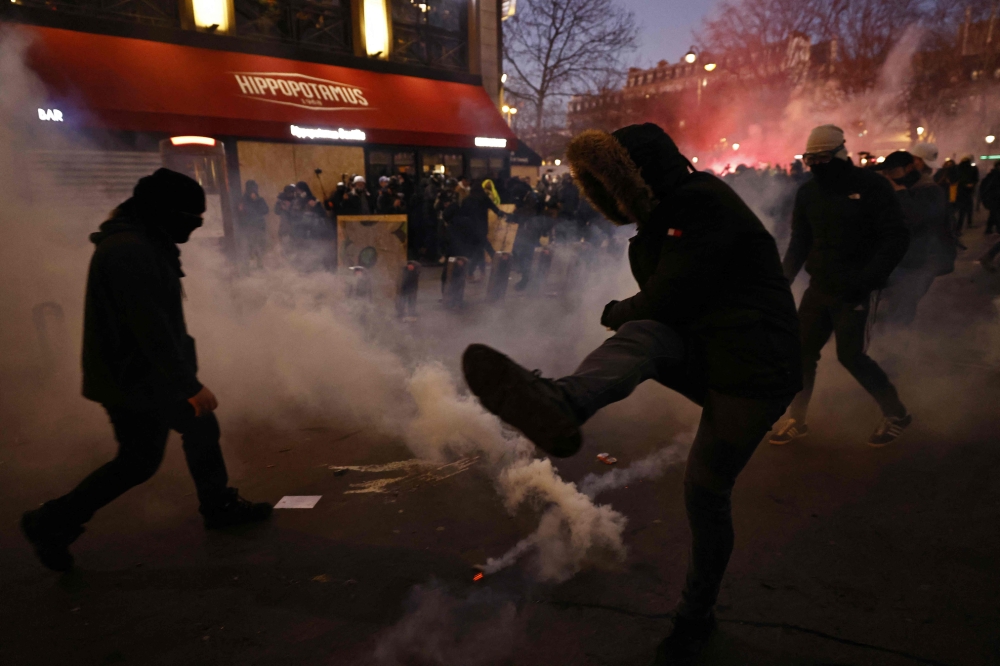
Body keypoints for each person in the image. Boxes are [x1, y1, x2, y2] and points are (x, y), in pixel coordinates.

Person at [461, 124, 801, 664]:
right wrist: (630, 313)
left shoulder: (701, 203)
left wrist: (615, 312)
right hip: (710, 353)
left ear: (637, 175)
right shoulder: (661, 220)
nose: (605, 197)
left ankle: (695, 616)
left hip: (755, 372)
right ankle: (562, 401)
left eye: (609, 182)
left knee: (706, 491)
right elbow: (667, 299)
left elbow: (670, 294)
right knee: (646, 335)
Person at [21, 169, 272, 573]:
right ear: (164, 211)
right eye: (192, 216)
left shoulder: (146, 241)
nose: (196, 225)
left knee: (198, 428)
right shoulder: (129, 250)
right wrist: (186, 384)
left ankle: (218, 504)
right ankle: (51, 521)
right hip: (133, 379)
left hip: (145, 374)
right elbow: (148, 326)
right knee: (139, 460)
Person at [771, 125, 911, 449]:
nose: (816, 165)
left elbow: (896, 236)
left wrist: (869, 278)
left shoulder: (871, 186)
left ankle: (896, 414)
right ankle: (798, 418)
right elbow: (800, 241)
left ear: (839, 154)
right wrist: (782, 281)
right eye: (810, 159)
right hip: (820, 287)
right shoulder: (807, 193)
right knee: (802, 353)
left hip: (856, 289)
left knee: (851, 356)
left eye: (822, 158)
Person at [875, 151, 954, 326]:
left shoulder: (929, 189)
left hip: (925, 259)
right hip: (901, 258)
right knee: (892, 304)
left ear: (909, 168)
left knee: (904, 305)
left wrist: (899, 192)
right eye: (885, 173)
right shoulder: (898, 187)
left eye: (893, 172)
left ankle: (897, 344)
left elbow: (917, 217)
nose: (888, 176)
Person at [235, 179, 269, 265]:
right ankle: (246, 269)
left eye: (255, 189)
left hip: (259, 228)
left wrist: (256, 202)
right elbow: (241, 214)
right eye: (252, 190)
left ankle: (260, 265)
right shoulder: (242, 200)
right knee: (246, 249)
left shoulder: (260, 200)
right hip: (247, 229)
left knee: (260, 248)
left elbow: (265, 210)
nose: (254, 192)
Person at [955, 155, 979, 233]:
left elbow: (957, 178)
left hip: (960, 191)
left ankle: (958, 227)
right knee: (967, 209)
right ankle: (966, 224)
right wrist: (971, 184)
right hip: (967, 192)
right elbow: (976, 179)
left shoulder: (959, 168)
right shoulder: (972, 169)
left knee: (961, 210)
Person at [980, 160, 1000, 236]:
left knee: (993, 213)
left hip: (995, 198)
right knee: (995, 213)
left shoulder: (992, 175)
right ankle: (996, 228)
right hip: (995, 198)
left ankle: (989, 229)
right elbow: (987, 187)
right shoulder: (993, 175)